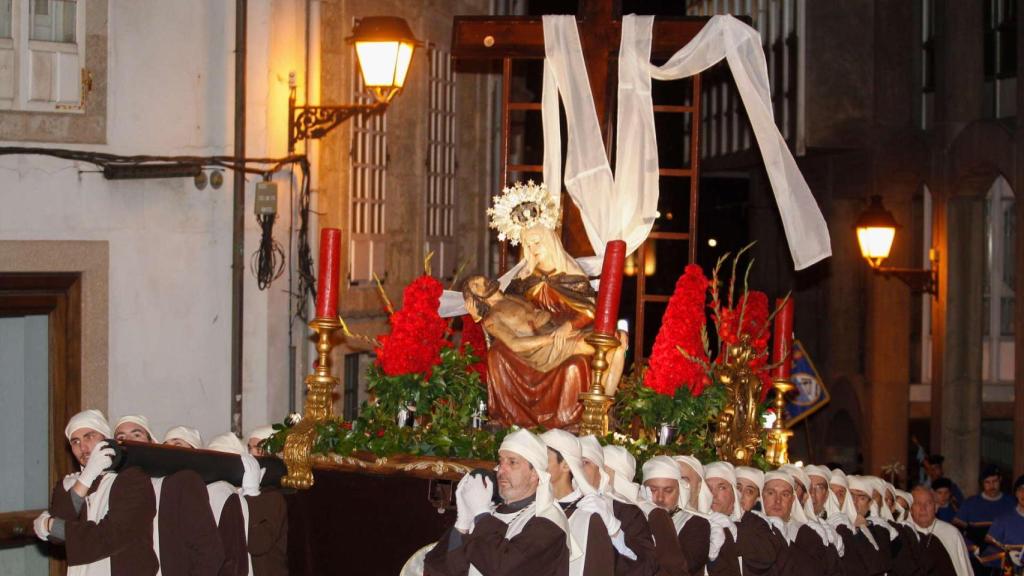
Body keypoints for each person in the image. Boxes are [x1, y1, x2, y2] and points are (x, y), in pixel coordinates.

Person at [463, 272, 626, 428]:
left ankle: (602, 410)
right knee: (609, 344)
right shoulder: (491, 318)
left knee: (619, 342)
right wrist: (549, 339)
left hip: (554, 332)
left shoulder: (513, 296)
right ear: (475, 298)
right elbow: (515, 344)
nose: (483, 281)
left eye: (481, 278)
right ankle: (598, 412)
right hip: (544, 350)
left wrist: (563, 328)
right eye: (476, 285)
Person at [424, 428, 573, 575]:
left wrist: (481, 514)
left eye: (512, 462)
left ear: (535, 473)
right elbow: (436, 568)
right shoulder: (491, 511)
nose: (501, 470)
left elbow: (504, 568)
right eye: (501, 462)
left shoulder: (550, 523)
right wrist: (462, 524)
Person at [33, 409, 159, 575]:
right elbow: (60, 526)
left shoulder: (132, 479)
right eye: (75, 441)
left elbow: (110, 536)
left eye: (89, 436)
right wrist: (87, 477)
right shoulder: (69, 483)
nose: (82, 447)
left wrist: (48, 525)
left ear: (106, 439)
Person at [207, 433, 288, 576]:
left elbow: (257, 543)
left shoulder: (271, 497)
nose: (252, 452)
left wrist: (251, 493)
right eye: (250, 447)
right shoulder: (213, 495)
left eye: (258, 448)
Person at [642, 456, 737, 575]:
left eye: (684, 480)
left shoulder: (705, 524)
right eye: (653, 489)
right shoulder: (636, 517)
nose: (660, 498)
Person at [541, 429, 617, 576]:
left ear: (565, 465)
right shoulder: (531, 506)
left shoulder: (589, 515)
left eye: (542, 458)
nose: (534, 465)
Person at [579, 438, 658, 576]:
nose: (579, 469)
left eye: (586, 463)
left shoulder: (628, 512)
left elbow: (647, 565)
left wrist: (614, 530)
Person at [762, 470, 840, 575]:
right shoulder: (749, 529)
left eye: (785, 494)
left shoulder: (806, 534)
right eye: (771, 493)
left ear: (793, 500)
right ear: (762, 496)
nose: (778, 500)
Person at [905, 485, 973, 575]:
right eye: (917, 503)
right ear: (910, 509)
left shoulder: (951, 533)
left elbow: (963, 571)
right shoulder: (903, 533)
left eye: (928, 503)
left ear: (936, 507)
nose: (923, 508)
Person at [954, 464, 1015, 558]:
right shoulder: (970, 503)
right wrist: (971, 547)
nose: (992, 486)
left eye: (995, 481)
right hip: (976, 557)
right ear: (982, 483)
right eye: (987, 482)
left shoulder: (1011, 503)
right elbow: (956, 531)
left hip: (1004, 557)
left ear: (1000, 480)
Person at [980, 474, 1024, 571]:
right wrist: (1005, 556)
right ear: (1016, 493)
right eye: (1021, 489)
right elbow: (986, 556)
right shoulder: (1002, 520)